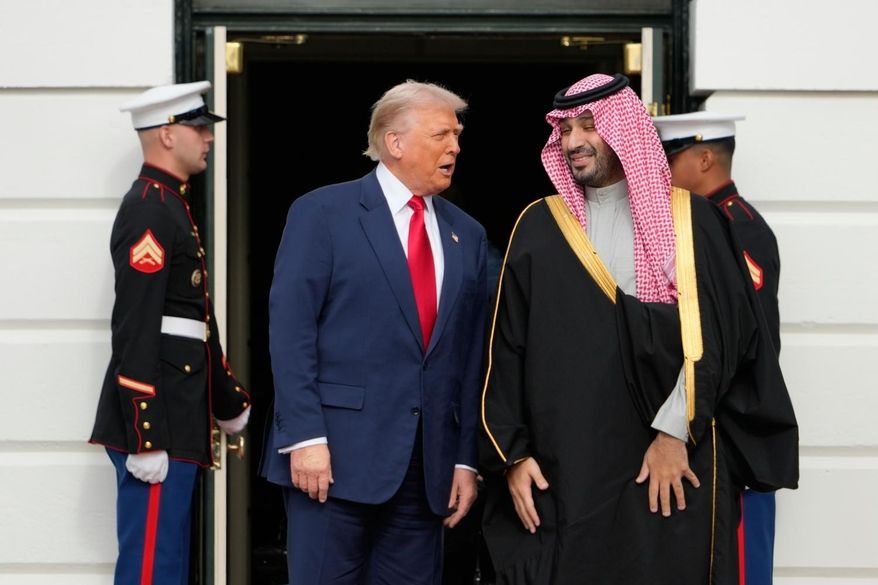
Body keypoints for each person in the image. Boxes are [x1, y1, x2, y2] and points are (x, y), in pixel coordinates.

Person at [479, 73, 798, 584]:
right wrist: (512, 456)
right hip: (568, 464)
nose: (574, 141)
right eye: (564, 130)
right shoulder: (538, 226)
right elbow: (505, 350)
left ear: (624, 130)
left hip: (668, 462)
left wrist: (674, 434)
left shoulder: (694, 222)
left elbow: (722, 337)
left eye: (589, 126)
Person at [260, 80, 488, 584]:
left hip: (426, 470)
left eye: (457, 136)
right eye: (441, 135)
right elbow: (291, 331)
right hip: (331, 461)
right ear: (395, 142)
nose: (455, 147)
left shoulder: (466, 234)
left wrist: (465, 460)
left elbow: (469, 358)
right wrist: (304, 436)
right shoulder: (322, 212)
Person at [89, 81, 252, 584]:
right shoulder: (150, 209)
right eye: (198, 128)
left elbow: (194, 320)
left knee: (168, 567)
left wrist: (225, 400)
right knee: (150, 572)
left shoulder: (171, 205)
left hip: (179, 416)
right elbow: (135, 326)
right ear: (166, 134)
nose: (207, 139)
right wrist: (146, 434)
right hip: (159, 421)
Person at [653, 111, 781, 585]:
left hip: (734, 435)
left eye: (671, 156)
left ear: (705, 157)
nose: (662, 169)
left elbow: (737, 341)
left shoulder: (733, 226)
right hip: (709, 430)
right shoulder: (705, 222)